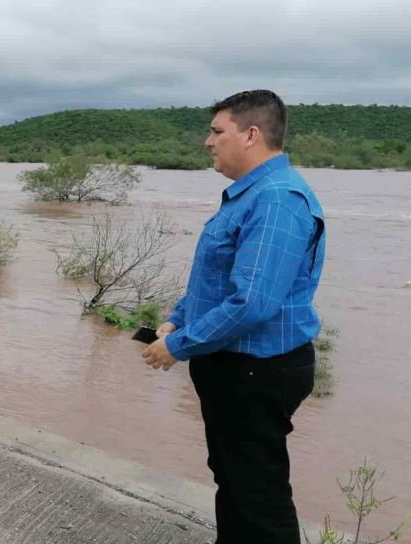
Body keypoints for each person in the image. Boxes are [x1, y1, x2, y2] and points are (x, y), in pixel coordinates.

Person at [142, 90, 325, 544]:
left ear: (251, 135)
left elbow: (253, 303)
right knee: (236, 480)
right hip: (237, 366)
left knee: (259, 495)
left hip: (257, 370)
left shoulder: (277, 200)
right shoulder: (251, 196)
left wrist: (178, 346)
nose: (209, 142)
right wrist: (178, 319)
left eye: (217, 131)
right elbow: (217, 280)